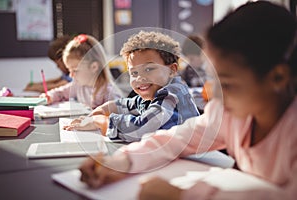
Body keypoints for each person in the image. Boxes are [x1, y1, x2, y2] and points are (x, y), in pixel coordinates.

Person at [78, 1, 297, 199]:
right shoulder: (227, 113)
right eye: (214, 79)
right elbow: (178, 138)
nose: (216, 95)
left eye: (228, 84)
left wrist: (182, 195)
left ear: (277, 77)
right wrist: (123, 161)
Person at [64, 31, 200, 142]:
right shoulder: (152, 93)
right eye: (134, 73)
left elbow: (141, 128)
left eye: (149, 69)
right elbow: (130, 104)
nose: (140, 78)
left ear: (172, 70)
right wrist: (106, 108)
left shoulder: (172, 95)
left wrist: (103, 122)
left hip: (195, 162)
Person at [40, 34, 122, 109]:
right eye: (69, 70)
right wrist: (49, 97)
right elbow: (60, 93)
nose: (71, 75)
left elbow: (119, 116)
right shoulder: (78, 85)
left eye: (75, 70)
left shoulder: (108, 93)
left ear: (94, 67)